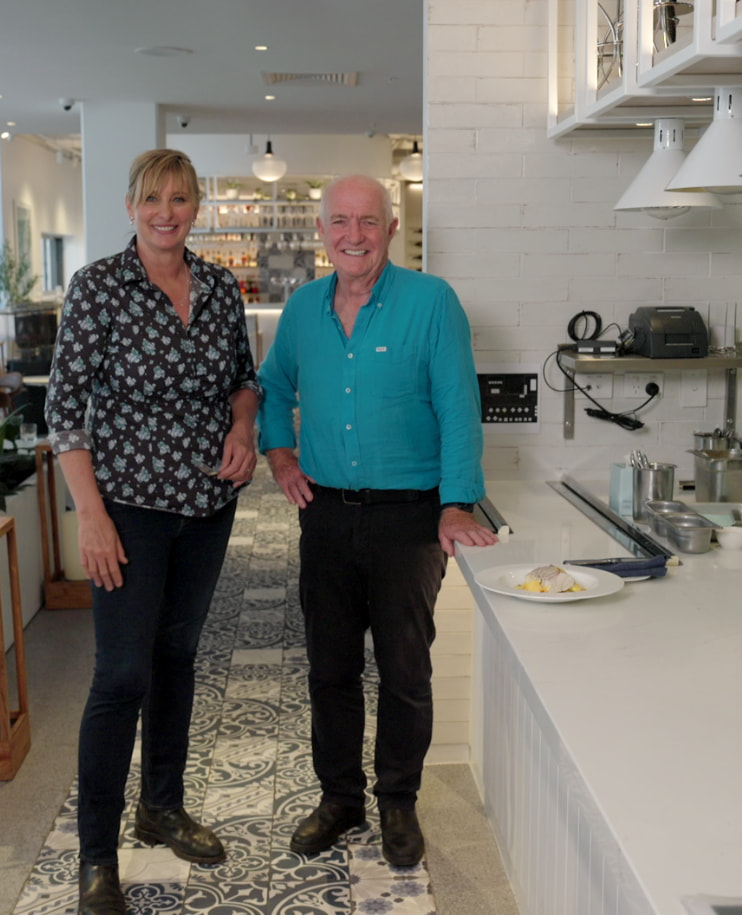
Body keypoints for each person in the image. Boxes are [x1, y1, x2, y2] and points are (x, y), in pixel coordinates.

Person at [257, 174, 499, 868]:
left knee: (404, 669)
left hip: (408, 520)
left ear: (391, 228)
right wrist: (279, 454)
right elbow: (271, 385)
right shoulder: (302, 309)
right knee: (330, 669)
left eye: (367, 221)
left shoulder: (432, 302)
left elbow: (458, 405)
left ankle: (397, 800)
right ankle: (340, 799)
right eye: (339, 221)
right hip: (326, 516)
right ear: (322, 231)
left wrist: (457, 502)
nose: (353, 235)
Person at [44, 148, 260, 915]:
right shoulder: (99, 286)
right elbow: (63, 411)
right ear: (131, 205)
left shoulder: (219, 286)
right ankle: (96, 856)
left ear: (196, 205)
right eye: (152, 198)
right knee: (121, 675)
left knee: (176, 657)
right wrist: (91, 515)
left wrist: (243, 428)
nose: (166, 212)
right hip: (127, 508)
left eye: (179, 198)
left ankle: (161, 805)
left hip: (206, 505)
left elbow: (243, 379)